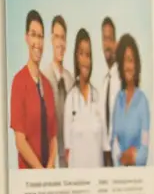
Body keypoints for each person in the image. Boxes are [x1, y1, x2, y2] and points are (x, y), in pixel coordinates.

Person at [10, 10, 57, 170]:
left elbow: (53, 137)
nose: (37, 41)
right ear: (26, 38)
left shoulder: (48, 87)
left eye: (41, 36)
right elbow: (20, 141)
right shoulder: (19, 82)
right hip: (29, 180)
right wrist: (40, 171)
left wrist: (50, 167)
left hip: (48, 177)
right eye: (33, 35)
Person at [63, 29, 109, 169]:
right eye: (81, 54)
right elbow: (67, 152)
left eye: (88, 55)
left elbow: (105, 147)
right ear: (76, 57)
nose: (85, 60)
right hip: (79, 185)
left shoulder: (98, 97)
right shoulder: (70, 100)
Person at [111, 33, 150, 166]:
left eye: (131, 60)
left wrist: (133, 158)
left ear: (137, 64)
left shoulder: (142, 102)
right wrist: (125, 156)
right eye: (124, 61)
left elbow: (144, 153)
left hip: (138, 181)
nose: (128, 66)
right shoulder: (118, 100)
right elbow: (113, 143)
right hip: (119, 178)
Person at [44, 15, 71, 167]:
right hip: (51, 162)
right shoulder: (44, 78)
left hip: (70, 162)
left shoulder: (71, 80)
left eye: (63, 38)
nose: (60, 42)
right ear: (51, 40)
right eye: (56, 37)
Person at [100, 16, 119, 166]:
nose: (107, 44)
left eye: (109, 39)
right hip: (106, 160)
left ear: (116, 43)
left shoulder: (123, 79)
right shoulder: (104, 82)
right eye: (104, 39)